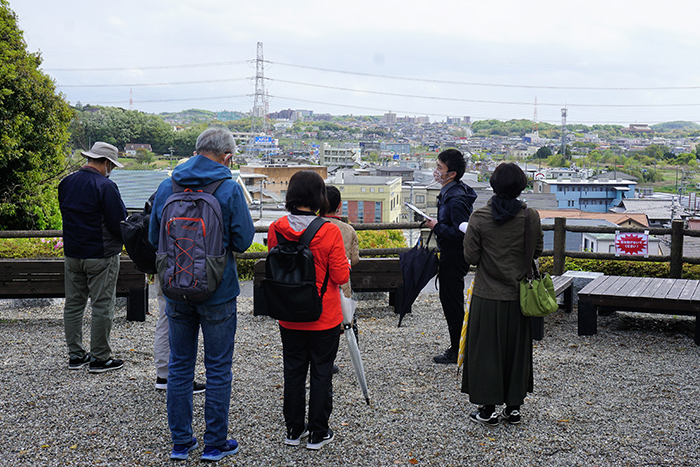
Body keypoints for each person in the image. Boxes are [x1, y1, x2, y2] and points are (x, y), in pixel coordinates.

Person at [149, 128, 254, 461]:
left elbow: (154, 237)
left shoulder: (168, 185)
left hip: (176, 289)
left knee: (180, 366)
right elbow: (242, 241)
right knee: (218, 368)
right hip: (218, 291)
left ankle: (181, 442)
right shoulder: (229, 189)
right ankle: (214, 444)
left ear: (196, 151)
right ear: (227, 157)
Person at [267, 171, 349, 451]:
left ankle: (293, 429)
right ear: (319, 197)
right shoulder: (329, 231)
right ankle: (318, 432)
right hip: (323, 315)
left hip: (288, 313)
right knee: (321, 372)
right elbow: (340, 276)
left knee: (293, 371)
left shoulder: (276, 228)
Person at [461, 162, 543, 426]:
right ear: (521, 186)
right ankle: (514, 408)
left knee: (486, 352)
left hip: (487, 295)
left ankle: (488, 410)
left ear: (494, 185)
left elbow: (471, 256)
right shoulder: (530, 217)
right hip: (520, 296)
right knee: (516, 352)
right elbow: (537, 250)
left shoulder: (480, 218)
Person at [58, 142, 127, 374]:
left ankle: (75, 355)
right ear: (106, 163)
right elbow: (118, 222)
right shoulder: (106, 186)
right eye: (112, 166)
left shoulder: (66, 183)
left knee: (74, 304)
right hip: (101, 254)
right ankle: (100, 358)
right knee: (102, 305)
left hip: (73, 253)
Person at [424, 149, 477, 364]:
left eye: (440, 168)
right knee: (452, 301)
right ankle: (460, 345)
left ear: (452, 173)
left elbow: (461, 232)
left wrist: (437, 227)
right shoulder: (455, 191)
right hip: (452, 255)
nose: (436, 172)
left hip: (454, 256)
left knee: (452, 302)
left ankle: (458, 349)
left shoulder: (455, 199)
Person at [320, 185, 359, 298]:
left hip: (316, 282)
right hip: (341, 284)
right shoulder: (348, 229)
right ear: (339, 205)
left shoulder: (310, 226)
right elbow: (355, 259)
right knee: (341, 314)